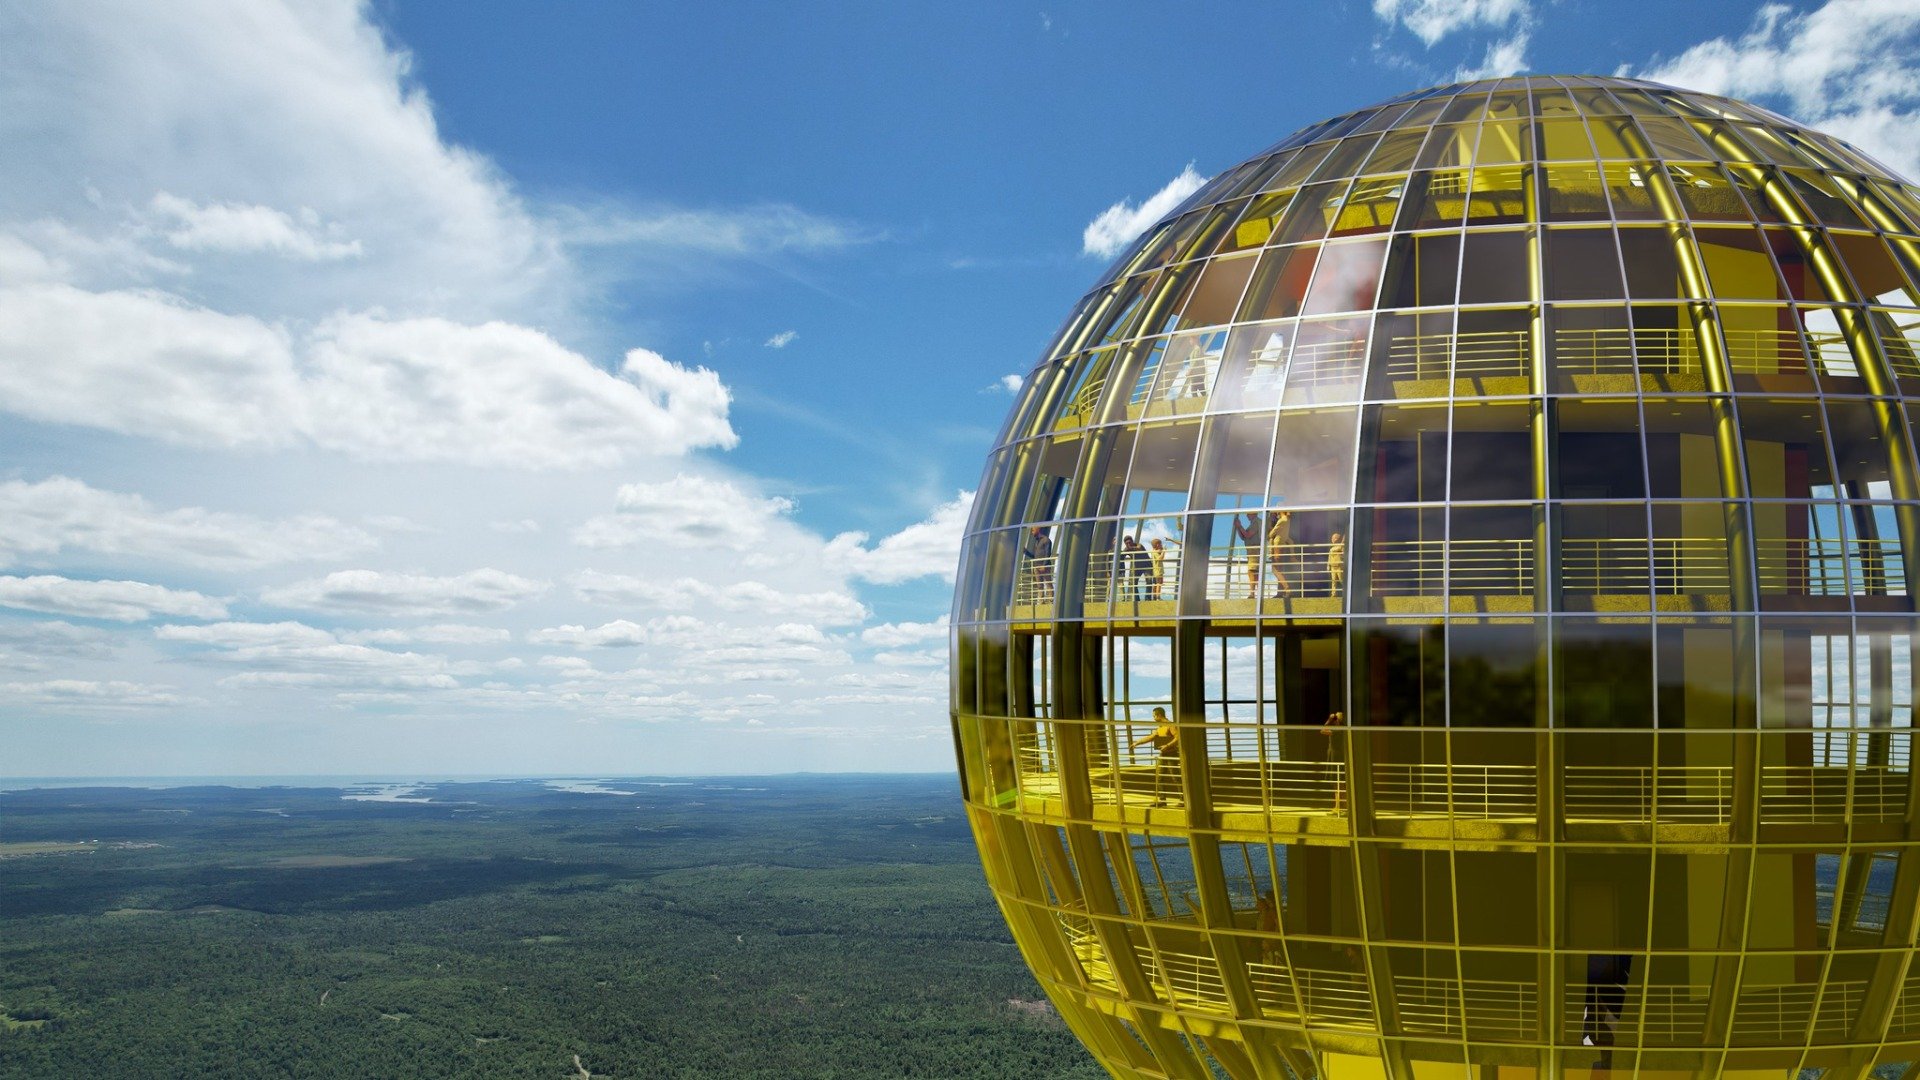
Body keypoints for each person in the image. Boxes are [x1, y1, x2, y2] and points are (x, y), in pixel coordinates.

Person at [1130, 707, 1180, 805]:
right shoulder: (1160, 728)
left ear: (1159, 715)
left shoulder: (1170, 725)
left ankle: (1183, 799)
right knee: (1159, 777)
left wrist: (1167, 745)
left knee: (1175, 777)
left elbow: (1178, 737)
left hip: (1171, 753)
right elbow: (1150, 737)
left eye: (1154, 716)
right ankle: (1162, 800)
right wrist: (1137, 743)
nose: (1153, 718)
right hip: (1163, 754)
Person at [1319, 710, 1347, 813]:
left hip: (1336, 756)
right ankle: (1340, 806)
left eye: (1336, 719)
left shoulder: (1339, 729)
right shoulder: (1339, 729)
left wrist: (1329, 719)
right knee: (1337, 783)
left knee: (1338, 782)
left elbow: (1322, 730)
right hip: (1334, 755)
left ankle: (1340, 806)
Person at [1266, 510, 1293, 598]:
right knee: (1279, 570)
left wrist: (1269, 533)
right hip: (1282, 546)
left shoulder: (1282, 521)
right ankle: (1280, 592)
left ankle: (1287, 588)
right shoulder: (1287, 521)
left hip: (1277, 547)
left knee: (1275, 570)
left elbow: (1271, 533)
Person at [1233, 513, 1261, 597]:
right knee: (1254, 571)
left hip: (1254, 549)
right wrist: (1238, 527)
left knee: (1252, 571)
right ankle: (1256, 593)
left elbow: (1248, 535)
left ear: (1254, 514)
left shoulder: (1257, 522)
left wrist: (1240, 526)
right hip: (1252, 550)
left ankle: (1252, 593)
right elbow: (1243, 536)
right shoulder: (1253, 523)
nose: (1247, 515)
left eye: (1249, 514)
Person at [1025, 526, 1054, 603]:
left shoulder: (1046, 540)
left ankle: (1051, 601)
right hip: (1036, 566)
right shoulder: (1037, 541)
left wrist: (1044, 565)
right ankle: (1041, 602)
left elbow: (1048, 553)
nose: (1032, 532)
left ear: (1038, 529)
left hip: (1045, 566)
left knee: (1048, 583)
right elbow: (1035, 556)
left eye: (1033, 530)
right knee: (1039, 585)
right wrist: (1026, 552)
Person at [1327, 531, 1346, 596]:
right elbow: (1329, 557)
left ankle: (1345, 591)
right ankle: (1333, 593)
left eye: (1334, 538)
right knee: (1333, 581)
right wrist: (1328, 565)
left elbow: (1340, 549)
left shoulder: (1340, 547)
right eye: (1332, 538)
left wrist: (1343, 541)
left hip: (1339, 566)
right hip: (1333, 566)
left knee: (1341, 579)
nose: (1332, 539)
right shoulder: (1332, 548)